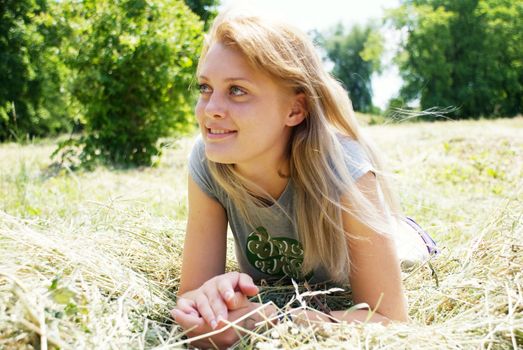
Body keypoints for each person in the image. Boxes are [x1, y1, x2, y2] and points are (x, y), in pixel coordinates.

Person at [170, 10, 438, 348]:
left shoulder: (344, 169)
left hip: (401, 245)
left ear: (295, 110)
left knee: (403, 241)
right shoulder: (209, 161)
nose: (211, 109)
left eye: (237, 90)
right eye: (206, 88)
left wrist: (267, 320)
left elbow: (389, 320)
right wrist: (207, 304)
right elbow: (191, 302)